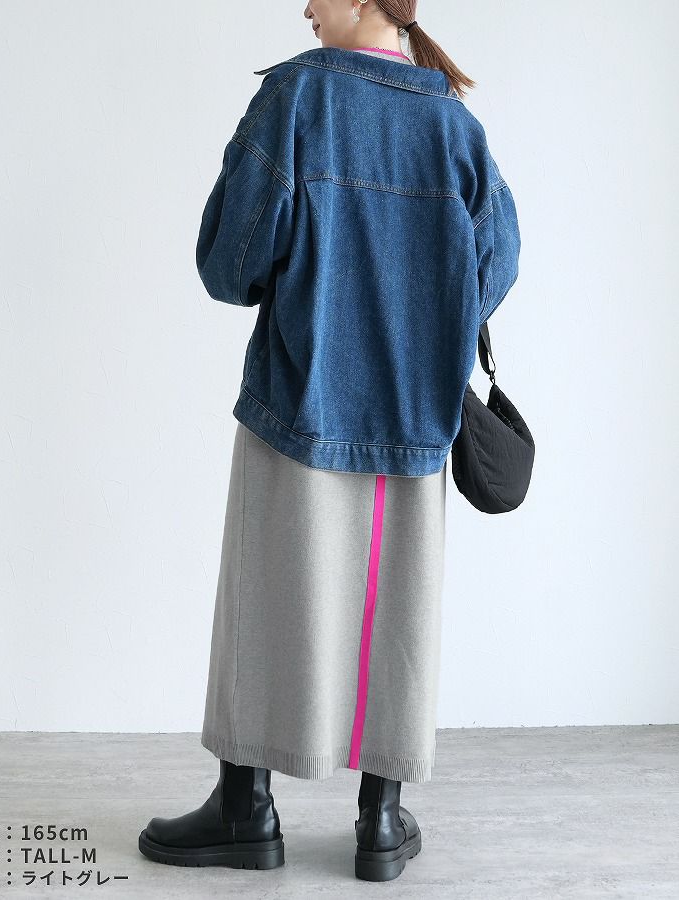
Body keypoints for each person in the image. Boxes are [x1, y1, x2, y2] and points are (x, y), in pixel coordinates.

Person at [139, 0, 521, 883]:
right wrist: (422, 314)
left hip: (299, 398)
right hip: (416, 416)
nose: (305, 7)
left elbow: (229, 264)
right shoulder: (453, 123)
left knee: (266, 597)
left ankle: (246, 810)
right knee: (399, 610)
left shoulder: (297, 99)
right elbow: (497, 261)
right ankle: (380, 823)